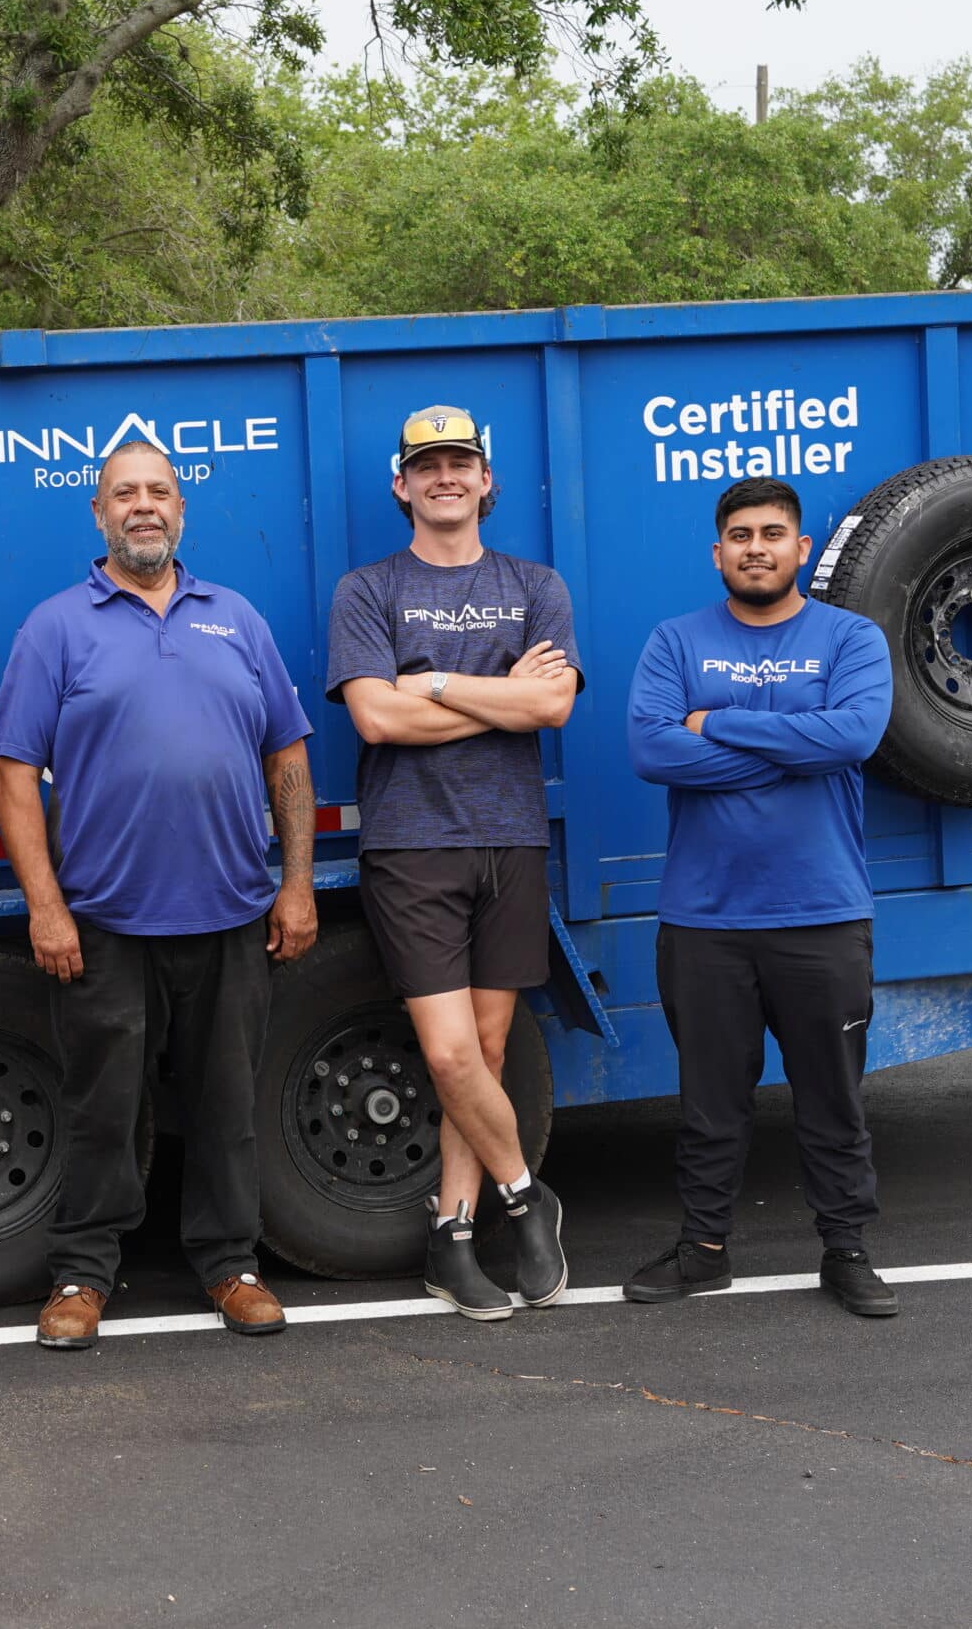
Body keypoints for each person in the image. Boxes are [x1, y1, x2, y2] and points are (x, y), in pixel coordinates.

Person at [0, 438, 319, 1350]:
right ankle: (82, 1275)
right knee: (104, 1110)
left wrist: (295, 885)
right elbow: (14, 775)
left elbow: (286, 757)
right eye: (124, 493)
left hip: (232, 914)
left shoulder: (236, 618)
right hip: (104, 923)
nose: (144, 506)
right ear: (97, 514)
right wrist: (46, 907)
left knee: (227, 1105)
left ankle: (231, 1265)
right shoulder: (56, 626)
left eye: (160, 492)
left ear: (183, 511)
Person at [622, 476, 898, 1318]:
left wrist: (717, 722)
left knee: (833, 1101)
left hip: (822, 913)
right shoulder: (675, 641)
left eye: (772, 533)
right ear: (718, 552)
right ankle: (703, 1250)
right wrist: (793, 749)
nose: (755, 547)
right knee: (711, 1106)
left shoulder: (852, 638)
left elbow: (853, 736)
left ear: (801, 548)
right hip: (705, 920)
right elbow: (653, 750)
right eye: (739, 535)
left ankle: (845, 1251)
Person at [326, 405, 580, 1322]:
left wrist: (429, 681)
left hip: (510, 838)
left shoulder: (534, 585)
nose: (445, 478)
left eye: (460, 463)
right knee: (445, 1051)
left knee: (489, 1050)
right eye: (427, 465)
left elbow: (553, 710)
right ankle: (526, 1196)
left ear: (486, 481)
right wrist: (504, 694)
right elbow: (374, 720)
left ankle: (454, 1237)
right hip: (410, 844)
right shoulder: (368, 590)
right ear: (402, 484)